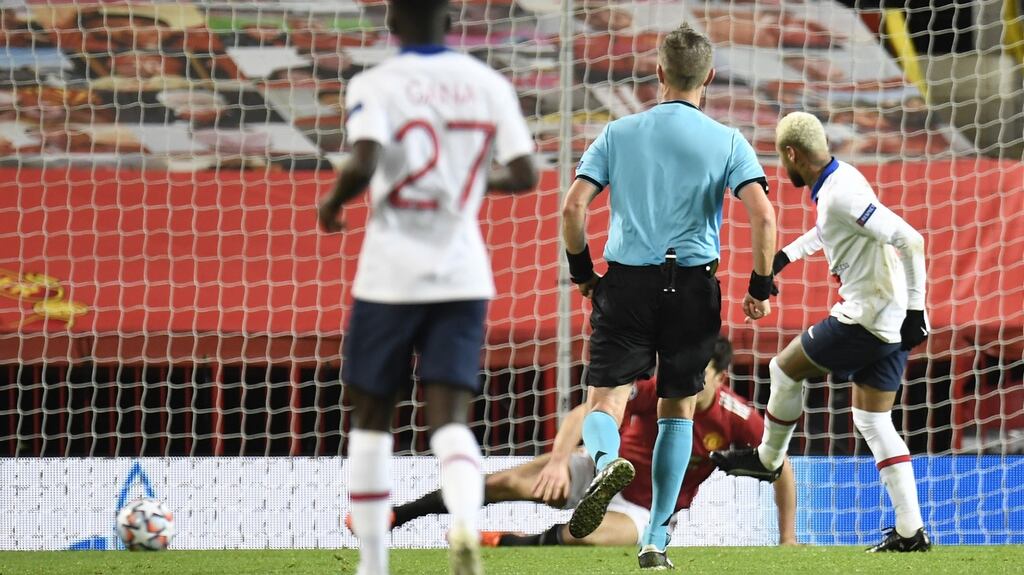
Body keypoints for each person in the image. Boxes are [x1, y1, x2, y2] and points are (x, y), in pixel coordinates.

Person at [316, 1, 537, 574]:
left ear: (391, 22)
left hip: (389, 277)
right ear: (450, 16)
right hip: (462, 276)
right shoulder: (488, 84)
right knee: (451, 421)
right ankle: (464, 522)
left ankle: (373, 564)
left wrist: (333, 201)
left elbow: (364, 161)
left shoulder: (376, 82)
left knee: (369, 420)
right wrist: (458, 185)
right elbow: (525, 172)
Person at [560, 22, 777, 569]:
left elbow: (572, 209)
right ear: (709, 77)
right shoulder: (729, 140)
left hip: (628, 282)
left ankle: (608, 459)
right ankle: (655, 539)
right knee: (677, 411)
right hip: (693, 285)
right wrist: (759, 285)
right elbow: (763, 215)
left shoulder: (617, 133)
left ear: (658, 74)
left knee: (604, 401)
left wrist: (583, 272)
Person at [711, 111, 931, 553]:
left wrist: (916, 311)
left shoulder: (841, 194)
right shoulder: (839, 180)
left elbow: (910, 239)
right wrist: (781, 260)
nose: (782, 167)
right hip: (887, 319)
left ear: (792, 154)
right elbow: (827, 232)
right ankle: (911, 531)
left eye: (781, 158)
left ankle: (768, 459)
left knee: (784, 368)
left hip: (869, 317)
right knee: (872, 419)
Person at [383, 337, 798, 548]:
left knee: (586, 537)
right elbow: (587, 411)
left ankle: (504, 542)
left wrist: (787, 537)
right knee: (503, 484)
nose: (686, 379)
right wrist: (559, 461)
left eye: (699, 373)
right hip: (600, 472)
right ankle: (398, 515)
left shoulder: (738, 419)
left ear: (720, 377)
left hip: (646, 510)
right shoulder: (658, 390)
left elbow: (781, 468)